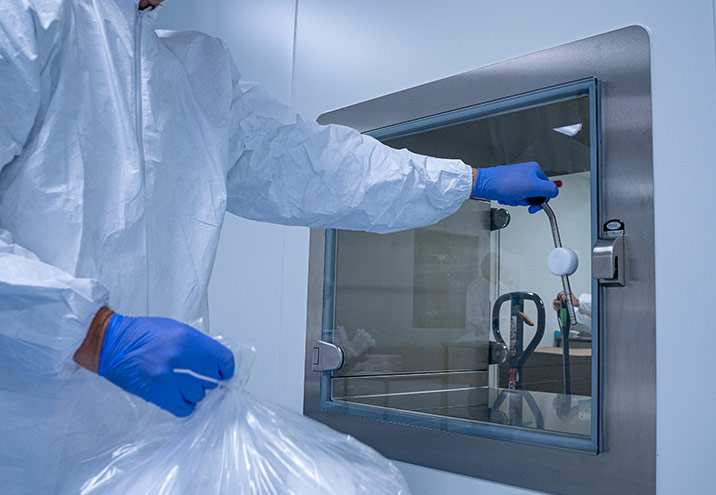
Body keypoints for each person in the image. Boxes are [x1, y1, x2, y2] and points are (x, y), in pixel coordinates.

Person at [0, 0, 558, 492]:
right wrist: (94, 332)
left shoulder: (193, 74)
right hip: (23, 435)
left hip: (150, 436)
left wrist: (467, 182)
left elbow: (315, 165)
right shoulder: (27, 21)